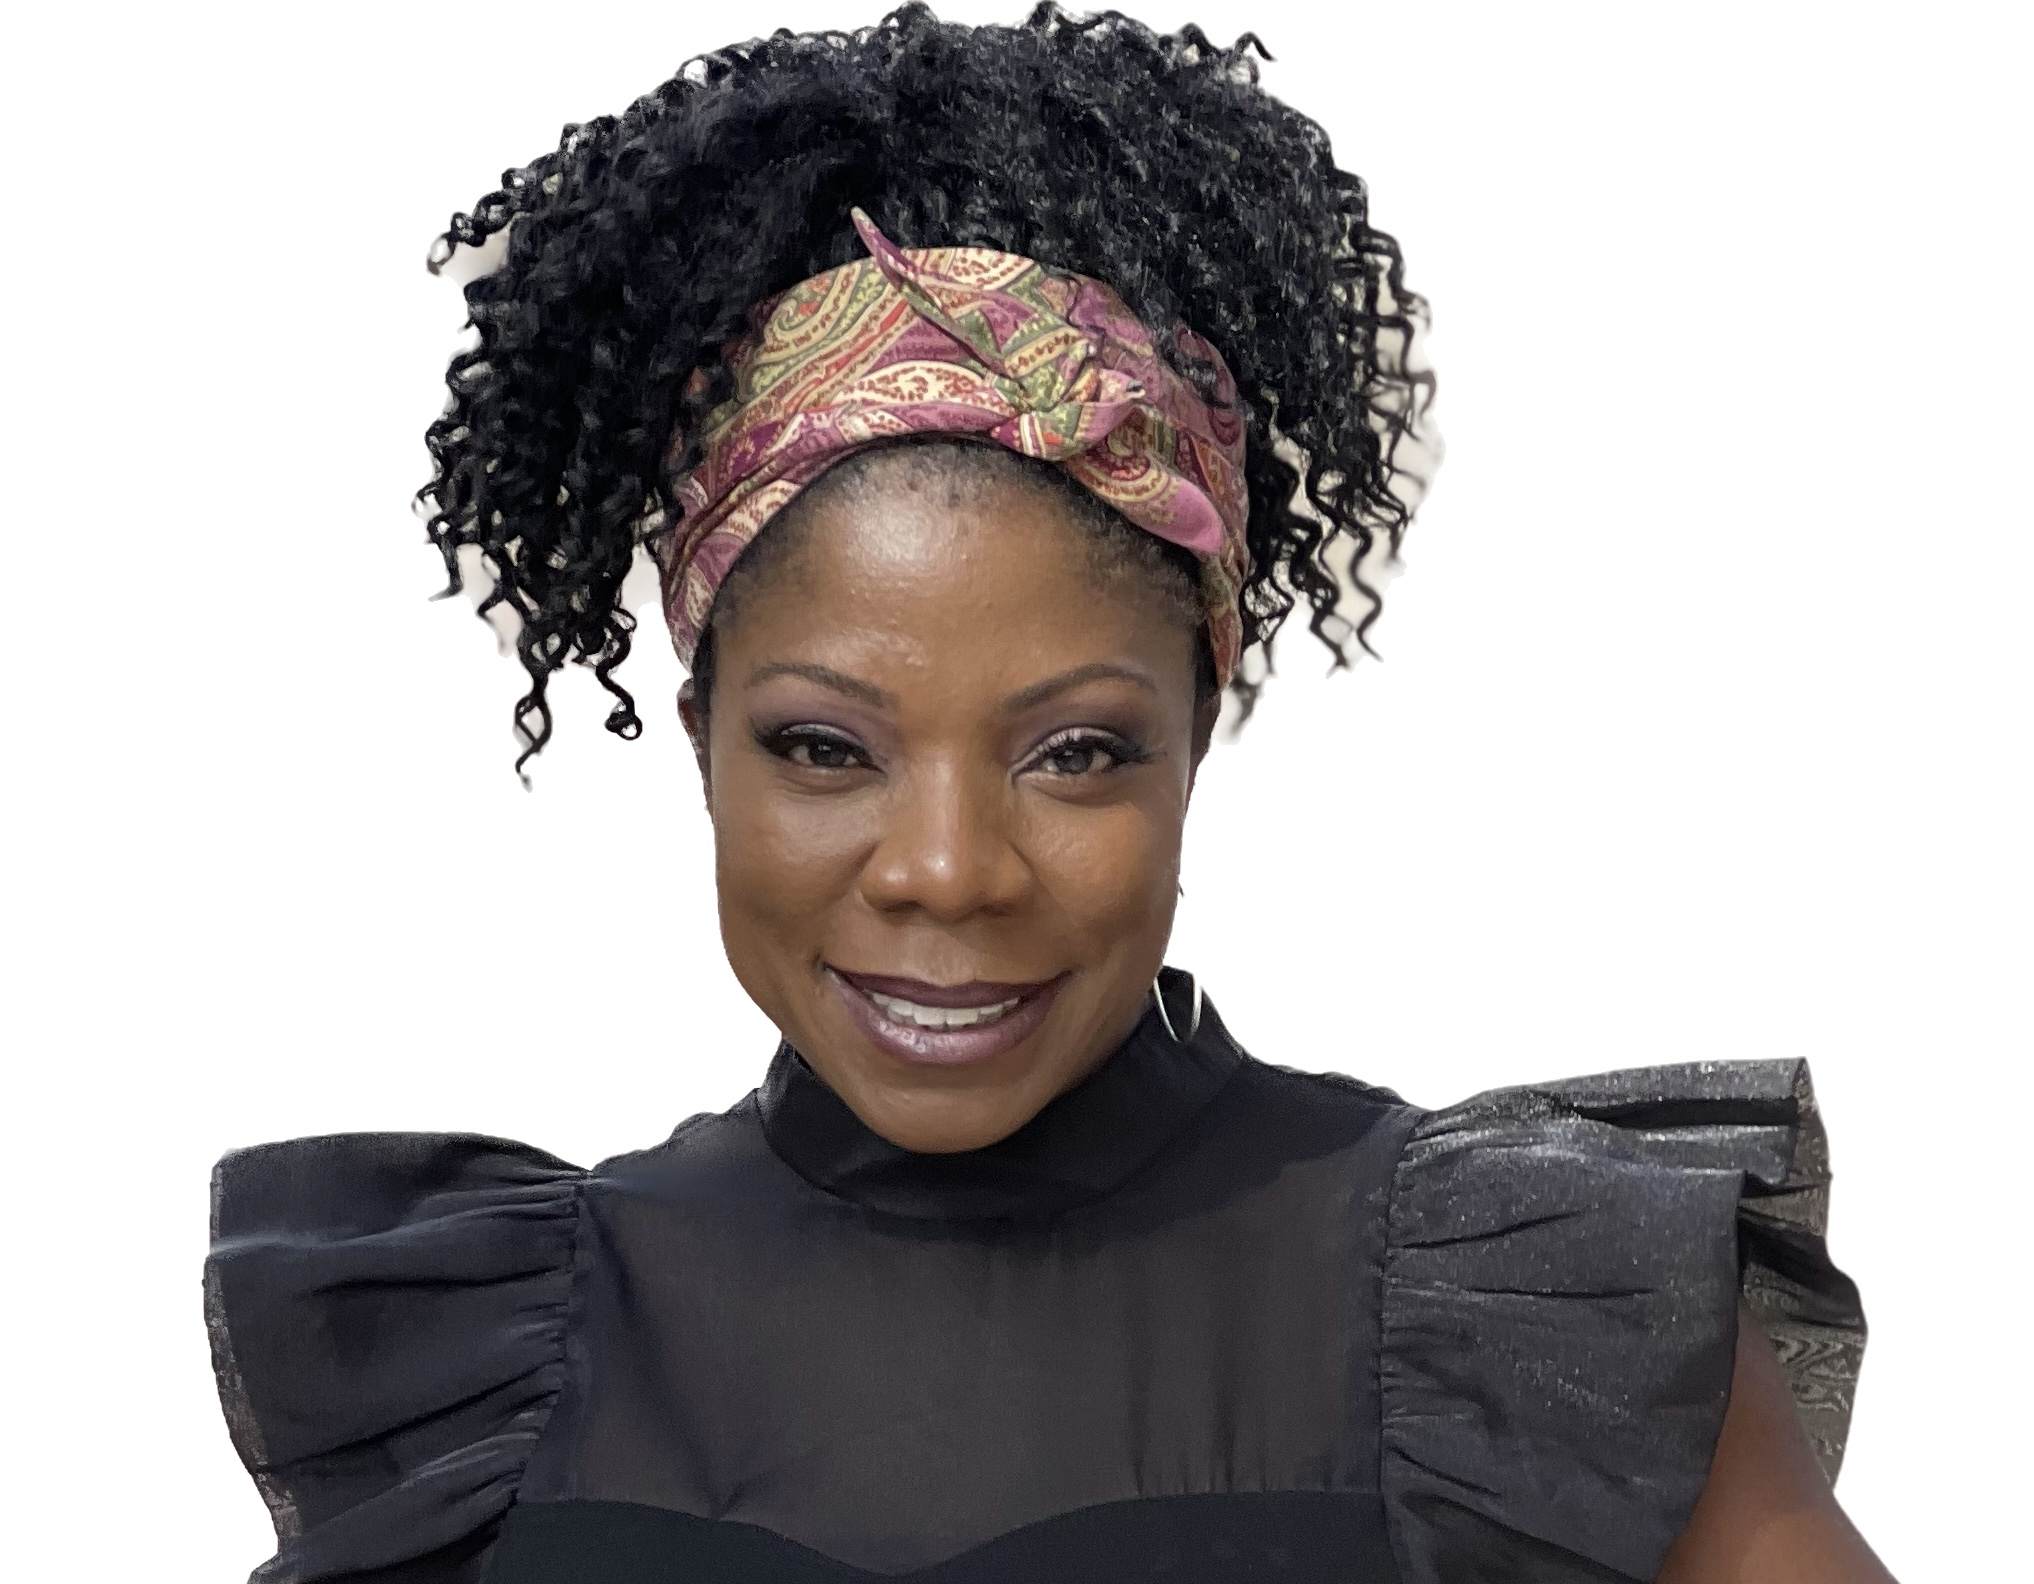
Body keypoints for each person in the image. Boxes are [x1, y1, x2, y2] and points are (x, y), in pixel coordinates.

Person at [203, 8, 1890, 1581]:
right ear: (700, 731)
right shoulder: (483, 1379)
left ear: (1197, 731)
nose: (946, 871)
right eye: (824, 748)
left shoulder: (1507, 1335)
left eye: (1074, 753)